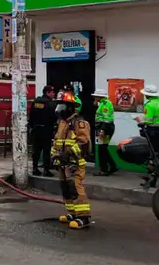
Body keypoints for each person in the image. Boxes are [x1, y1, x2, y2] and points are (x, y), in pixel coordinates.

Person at [51, 91, 93, 229]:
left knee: (75, 188)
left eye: (62, 106)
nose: (59, 109)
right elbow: (57, 141)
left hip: (74, 163)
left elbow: (84, 143)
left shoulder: (80, 123)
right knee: (66, 189)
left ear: (70, 107)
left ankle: (84, 217)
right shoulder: (62, 123)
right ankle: (73, 213)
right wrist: (54, 155)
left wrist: (68, 154)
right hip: (63, 164)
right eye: (59, 106)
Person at [135, 84, 159, 163]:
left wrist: (139, 119)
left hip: (153, 133)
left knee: (154, 153)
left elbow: (148, 120)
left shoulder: (150, 105)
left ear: (147, 95)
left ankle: (156, 171)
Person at [28, 85, 56, 175]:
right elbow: (53, 117)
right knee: (46, 150)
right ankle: (46, 170)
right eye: (52, 92)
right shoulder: (50, 103)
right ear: (47, 93)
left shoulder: (36, 101)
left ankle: (35, 168)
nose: (53, 94)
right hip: (46, 129)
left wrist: (33, 126)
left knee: (36, 150)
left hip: (36, 129)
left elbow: (31, 115)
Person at [91, 88, 118, 175]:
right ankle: (112, 166)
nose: (95, 97)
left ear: (100, 96)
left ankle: (104, 169)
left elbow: (106, 119)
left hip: (104, 128)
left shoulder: (105, 104)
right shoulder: (102, 103)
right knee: (103, 148)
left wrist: (103, 130)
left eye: (96, 96)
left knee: (102, 149)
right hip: (103, 128)